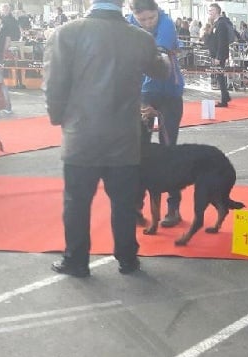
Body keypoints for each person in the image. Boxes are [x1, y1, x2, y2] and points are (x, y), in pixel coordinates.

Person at [44, 0, 170, 277]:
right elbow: (161, 71)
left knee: (76, 202)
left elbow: (54, 85)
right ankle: (128, 259)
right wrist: (161, 52)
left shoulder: (66, 33)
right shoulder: (140, 38)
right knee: (124, 203)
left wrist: (58, 118)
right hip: (124, 136)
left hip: (81, 135)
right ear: (122, 2)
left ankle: (76, 261)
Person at [127, 0, 185, 227]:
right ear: (134, 15)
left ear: (157, 12)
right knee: (139, 153)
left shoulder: (167, 24)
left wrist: (147, 101)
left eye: (151, 17)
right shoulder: (128, 24)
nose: (148, 23)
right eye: (142, 19)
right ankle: (135, 207)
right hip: (143, 94)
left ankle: (173, 207)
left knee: (168, 151)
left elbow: (159, 62)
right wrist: (142, 101)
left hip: (169, 94)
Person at [206, 2, 232, 107]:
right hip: (216, 54)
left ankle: (224, 99)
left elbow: (222, 42)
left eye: (211, 10)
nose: (209, 12)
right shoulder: (216, 23)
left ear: (216, 11)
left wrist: (218, 57)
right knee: (219, 76)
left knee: (220, 76)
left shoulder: (221, 24)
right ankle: (225, 96)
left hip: (219, 55)